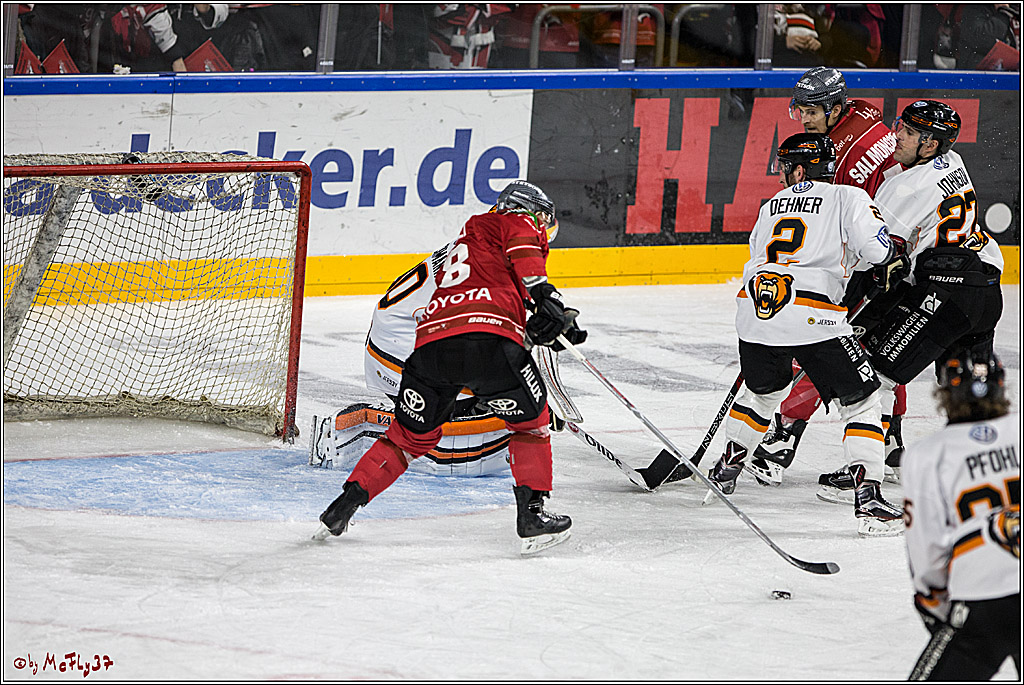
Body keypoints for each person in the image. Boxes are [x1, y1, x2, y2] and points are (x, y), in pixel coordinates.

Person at [312, 180, 582, 555]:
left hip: (425, 350)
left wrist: (536, 324)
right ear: (528, 211)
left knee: (407, 439)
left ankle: (342, 507)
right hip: (478, 346)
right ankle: (532, 517)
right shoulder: (514, 223)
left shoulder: (468, 243)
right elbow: (523, 258)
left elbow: (485, 299)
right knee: (530, 424)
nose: (543, 231)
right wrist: (545, 295)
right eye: (543, 222)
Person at [701, 132, 907, 537]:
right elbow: (877, 249)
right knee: (861, 399)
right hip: (814, 315)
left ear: (798, 168)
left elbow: (759, 254)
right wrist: (890, 255)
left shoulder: (770, 207)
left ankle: (727, 467)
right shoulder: (848, 196)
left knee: (763, 393)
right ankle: (869, 500)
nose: (781, 174)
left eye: (784, 166)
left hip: (754, 313)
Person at [749, 66, 907, 489]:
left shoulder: (846, 156)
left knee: (824, 344)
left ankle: (782, 438)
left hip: (884, 254)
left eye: (812, 111)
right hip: (895, 248)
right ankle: (891, 441)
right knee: (875, 350)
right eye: (799, 109)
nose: (803, 118)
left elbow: (840, 220)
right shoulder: (863, 115)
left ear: (836, 107)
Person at [857, 100, 1005, 473]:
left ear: (929, 144)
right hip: (987, 288)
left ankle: (864, 471)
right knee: (965, 384)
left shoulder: (902, 191)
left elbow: (881, 257)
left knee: (874, 374)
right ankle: (983, 467)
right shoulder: (954, 164)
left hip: (947, 292)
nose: (897, 136)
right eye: (900, 126)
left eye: (907, 132)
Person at [903, 350, 1020, 680]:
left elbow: (926, 550)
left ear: (945, 395)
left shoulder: (927, 454)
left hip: (983, 602)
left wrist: (936, 606)